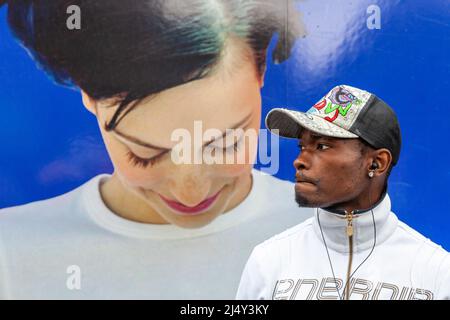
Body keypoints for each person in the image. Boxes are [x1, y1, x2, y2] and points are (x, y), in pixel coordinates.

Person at [0, 0, 313, 299]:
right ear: (90, 98)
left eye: (226, 145)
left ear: (260, 71)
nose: (190, 193)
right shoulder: (10, 252)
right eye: (145, 155)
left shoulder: (335, 235)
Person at [236, 85, 450, 300]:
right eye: (302, 147)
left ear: (376, 163)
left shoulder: (436, 272)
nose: (299, 161)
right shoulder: (269, 261)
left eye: (322, 146)